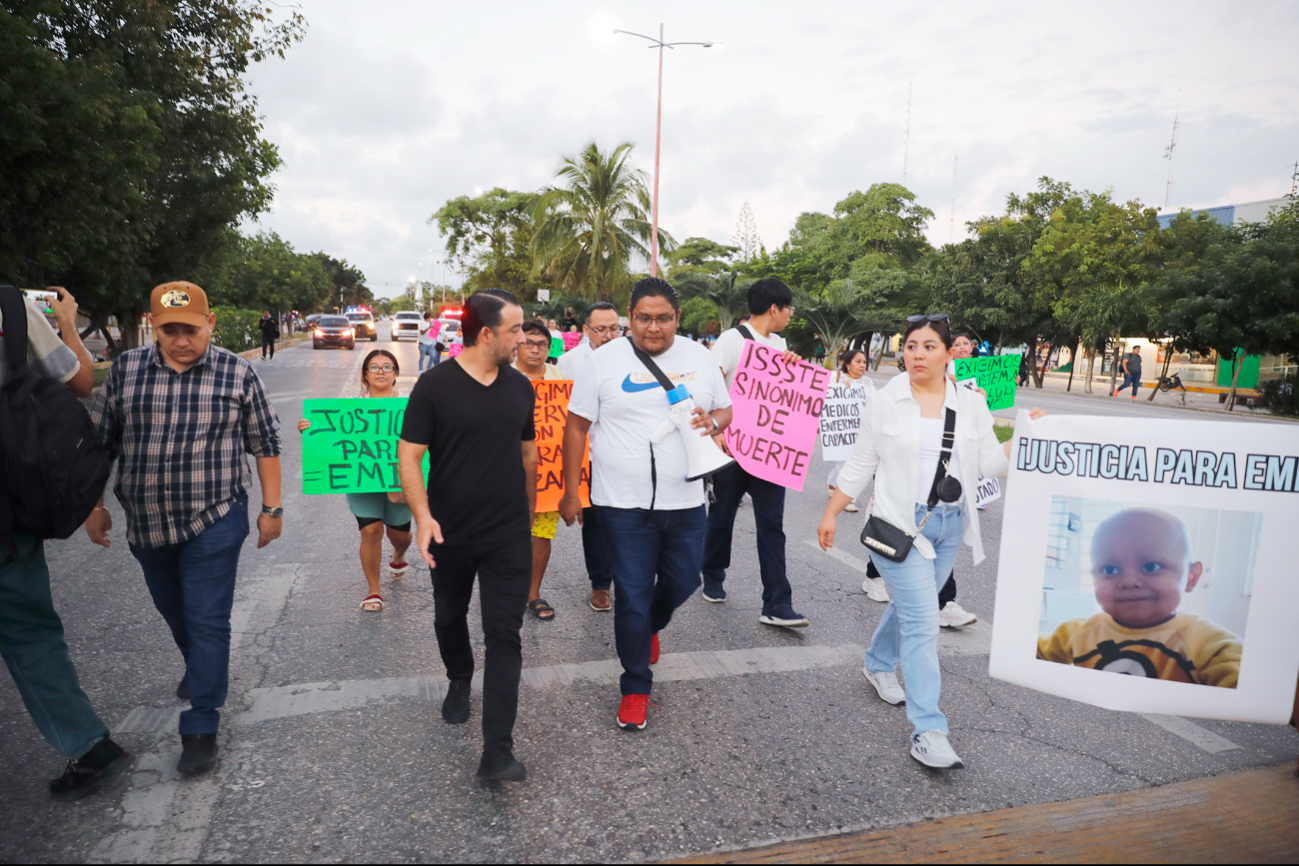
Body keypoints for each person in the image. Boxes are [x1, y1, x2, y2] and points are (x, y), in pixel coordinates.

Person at [817, 313, 1042, 769]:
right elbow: (862, 461)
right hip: (900, 525)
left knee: (909, 608)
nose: (917, 354)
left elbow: (987, 463)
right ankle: (929, 730)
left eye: (928, 346)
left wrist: (1021, 438)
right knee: (923, 624)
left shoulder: (970, 403)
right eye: (911, 345)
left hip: (949, 524)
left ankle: (877, 663)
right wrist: (831, 512)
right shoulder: (886, 400)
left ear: (948, 354)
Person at [85, 282, 282, 778]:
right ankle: (199, 666)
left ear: (210, 322)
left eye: (190, 329)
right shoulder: (126, 370)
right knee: (175, 611)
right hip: (146, 521)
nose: (180, 340)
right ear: (153, 326)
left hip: (215, 516)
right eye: (169, 330)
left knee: (208, 618)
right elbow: (100, 445)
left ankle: (201, 724)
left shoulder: (238, 372)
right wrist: (94, 506)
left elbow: (266, 443)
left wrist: (272, 509)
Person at [560, 278, 731, 732]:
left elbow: (725, 409)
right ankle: (635, 686)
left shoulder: (700, 358)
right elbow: (576, 427)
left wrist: (712, 420)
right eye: (643, 318)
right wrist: (572, 491)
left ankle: (648, 626)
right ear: (628, 319)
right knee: (631, 595)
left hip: (687, 499)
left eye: (663, 318)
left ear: (678, 319)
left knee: (684, 582)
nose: (653, 327)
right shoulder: (601, 362)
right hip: (621, 504)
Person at [0, 284, 133, 800]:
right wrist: (69, 323)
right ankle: (86, 742)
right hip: (9, 515)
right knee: (30, 634)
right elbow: (80, 380)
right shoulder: (11, 307)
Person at [397, 289, 535, 782]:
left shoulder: (521, 388)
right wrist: (423, 517)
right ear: (486, 334)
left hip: (508, 536)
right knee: (448, 616)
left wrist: (528, 511)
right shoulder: (435, 386)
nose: (524, 338)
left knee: (505, 635)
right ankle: (459, 677)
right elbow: (409, 455)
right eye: (516, 330)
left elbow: (527, 455)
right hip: (449, 532)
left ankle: (497, 749)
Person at [701, 278, 809, 628]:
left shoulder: (780, 343)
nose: (791, 315)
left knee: (772, 526)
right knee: (721, 517)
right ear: (774, 309)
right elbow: (710, 384)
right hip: (733, 449)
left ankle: (777, 602)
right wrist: (715, 433)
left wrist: (793, 365)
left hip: (768, 452)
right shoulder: (732, 340)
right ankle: (713, 572)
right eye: (789, 308)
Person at [1037, 508, 1241, 687]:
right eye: (1109, 569)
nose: (1129, 581)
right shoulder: (1074, 633)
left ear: (1191, 577)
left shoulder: (1210, 645)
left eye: (1150, 566)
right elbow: (1035, 651)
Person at [297, 349, 412, 612]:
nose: (380, 371)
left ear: (396, 374)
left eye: (387, 367)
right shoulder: (349, 408)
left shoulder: (411, 406)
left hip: (399, 482)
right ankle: (374, 590)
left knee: (400, 534)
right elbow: (328, 438)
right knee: (370, 530)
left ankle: (400, 555)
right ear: (365, 375)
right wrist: (308, 429)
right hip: (362, 480)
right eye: (374, 367)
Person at [557, 301, 622, 611]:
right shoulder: (570, 362)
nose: (608, 335)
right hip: (589, 454)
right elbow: (562, 416)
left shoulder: (633, 356)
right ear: (585, 330)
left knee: (627, 520)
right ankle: (600, 584)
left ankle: (629, 579)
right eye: (601, 329)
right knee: (594, 522)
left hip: (626, 452)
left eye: (614, 328)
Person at [513, 320, 564, 621]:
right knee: (505, 534)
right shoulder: (501, 376)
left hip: (548, 472)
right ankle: (505, 590)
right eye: (529, 342)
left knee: (541, 534)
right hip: (506, 470)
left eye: (541, 344)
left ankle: (533, 593)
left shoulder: (559, 378)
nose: (535, 349)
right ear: (517, 344)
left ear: (549, 348)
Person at [827, 348, 875, 516]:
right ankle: (847, 499)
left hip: (860, 429)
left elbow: (875, 402)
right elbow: (822, 395)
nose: (862, 365)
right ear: (847, 364)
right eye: (858, 361)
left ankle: (834, 484)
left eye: (864, 362)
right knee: (846, 461)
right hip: (841, 428)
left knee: (846, 460)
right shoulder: (837, 377)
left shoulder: (867, 382)